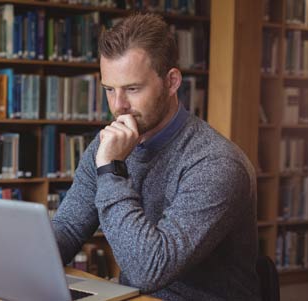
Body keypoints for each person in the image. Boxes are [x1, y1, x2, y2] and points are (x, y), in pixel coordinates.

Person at [51, 12, 260, 300]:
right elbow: (69, 227)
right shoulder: (106, 146)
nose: (118, 106)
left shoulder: (216, 164)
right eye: (109, 90)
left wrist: (111, 170)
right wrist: (16, 256)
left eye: (133, 89)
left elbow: (148, 270)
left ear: (172, 81)